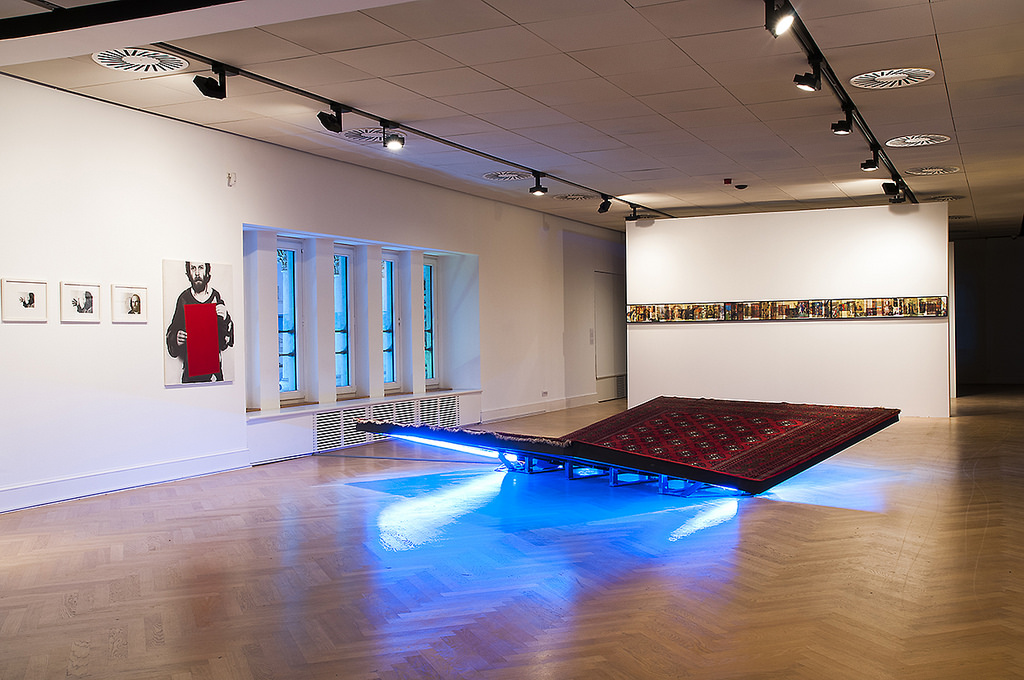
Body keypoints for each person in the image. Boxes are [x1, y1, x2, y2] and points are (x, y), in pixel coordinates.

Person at [165, 261, 234, 382]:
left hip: (214, 374)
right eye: (193, 268)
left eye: (201, 268)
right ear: (188, 272)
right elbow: (172, 331)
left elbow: (225, 341)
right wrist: (176, 337)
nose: (197, 273)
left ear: (207, 271)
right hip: (191, 374)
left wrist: (225, 318)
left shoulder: (215, 297)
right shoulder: (184, 299)